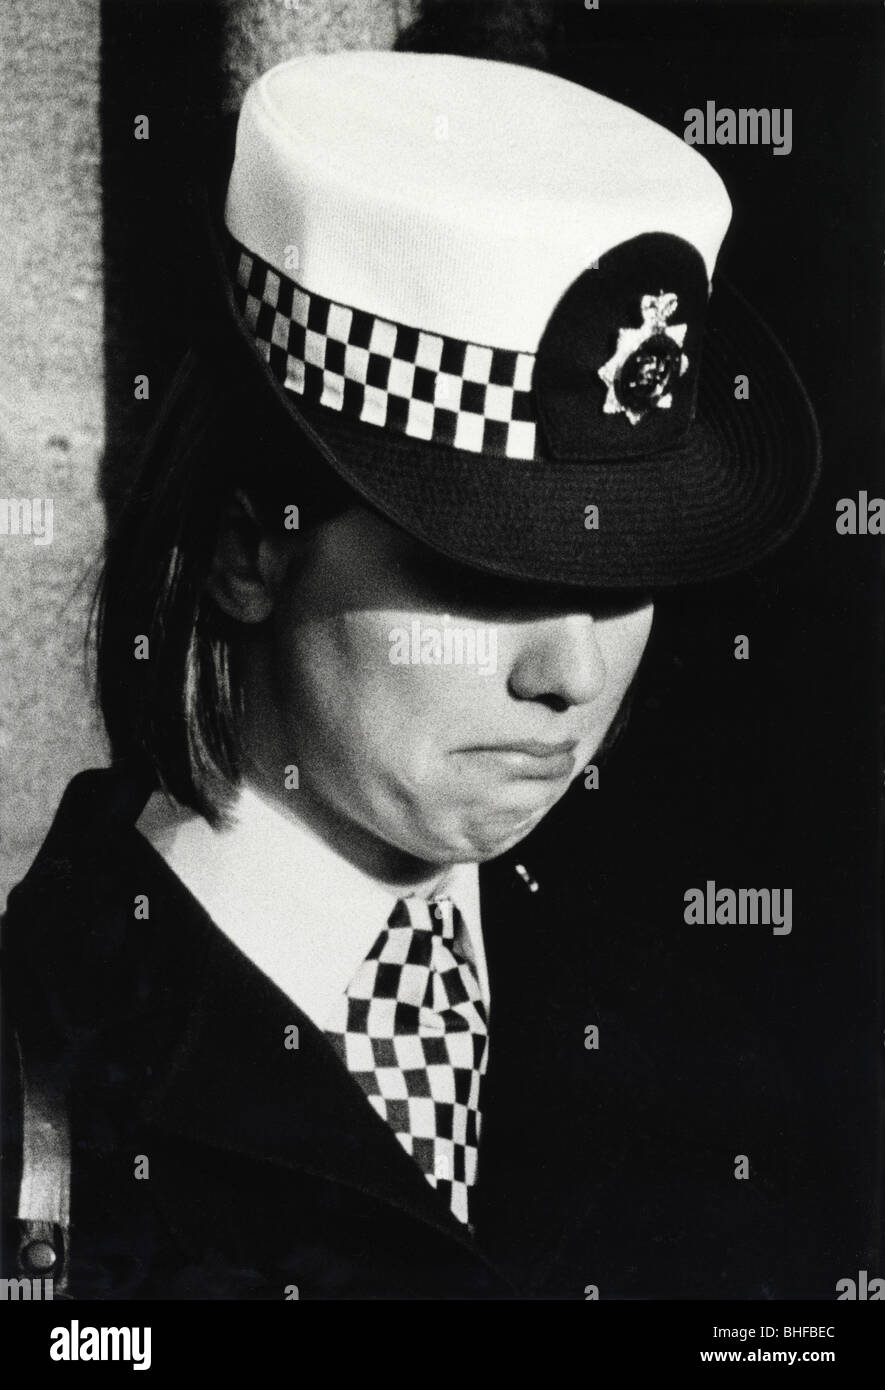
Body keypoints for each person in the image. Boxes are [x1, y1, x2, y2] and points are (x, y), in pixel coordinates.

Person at [1, 50, 821, 1300]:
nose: (570, 672)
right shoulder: (40, 1067)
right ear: (245, 549)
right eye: (487, 575)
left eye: (622, 577)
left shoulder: (709, 1052)